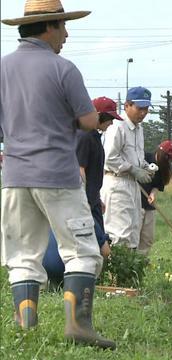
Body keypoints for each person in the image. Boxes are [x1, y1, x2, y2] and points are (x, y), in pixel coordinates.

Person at [0, 0, 115, 349]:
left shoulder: (2, 68)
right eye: (63, 26)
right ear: (48, 27)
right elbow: (87, 121)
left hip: (15, 175)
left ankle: (26, 332)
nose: (66, 34)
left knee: (22, 255)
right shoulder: (63, 68)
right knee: (82, 251)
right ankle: (78, 327)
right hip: (57, 175)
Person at [43, 96, 120, 283]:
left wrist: (96, 197)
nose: (111, 123)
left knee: (96, 243)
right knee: (96, 244)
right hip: (82, 201)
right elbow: (80, 170)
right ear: (99, 115)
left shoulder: (94, 137)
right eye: (109, 118)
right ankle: (85, 281)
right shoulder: (84, 136)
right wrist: (82, 200)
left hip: (92, 198)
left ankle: (95, 280)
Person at [101, 86, 154, 250]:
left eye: (146, 109)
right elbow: (109, 158)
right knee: (119, 233)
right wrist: (132, 169)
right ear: (127, 106)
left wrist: (145, 167)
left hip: (132, 185)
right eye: (139, 108)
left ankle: (128, 273)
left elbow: (136, 157)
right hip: (117, 182)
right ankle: (114, 274)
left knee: (133, 232)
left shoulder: (139, 129)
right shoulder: (117, 127)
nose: (143, 113)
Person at [138, 140, 172, 256]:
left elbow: (157, 185)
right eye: (169, 158)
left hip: (149, 205)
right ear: (163, 154)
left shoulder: (162, 168)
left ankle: (142, 262)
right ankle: (132, 263)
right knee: (134, 236)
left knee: (147, 238)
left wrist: (153, 194)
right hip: (136, 203)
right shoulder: (144, 157)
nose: (170, 161)